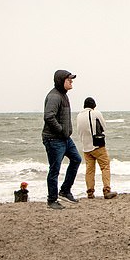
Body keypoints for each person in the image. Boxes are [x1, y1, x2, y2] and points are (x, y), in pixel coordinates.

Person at [42, 69, 82, 209]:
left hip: (65, 138)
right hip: (53, 139)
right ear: (61, 81)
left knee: (77, 159)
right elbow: (48, 116)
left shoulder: (64, 95)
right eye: (68, 79)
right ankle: (51, 200)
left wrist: (66, 132)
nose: (71, 81)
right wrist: (61, 130)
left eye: (71, 79)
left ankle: (65, 191)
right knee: (54, 169)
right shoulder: (54, 96)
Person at [77, 97, 117, 200]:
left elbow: (79, 131)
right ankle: (107, 190)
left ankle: (90, 192)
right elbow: (104, 127)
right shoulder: (96, 113)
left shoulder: (79, 116)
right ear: (94, 105)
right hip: (97, 145)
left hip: (86, 147)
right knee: (105, 166)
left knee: (89, 170)